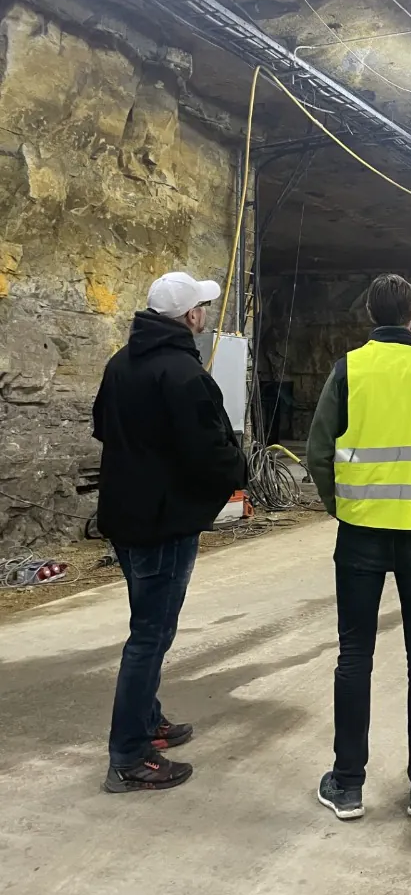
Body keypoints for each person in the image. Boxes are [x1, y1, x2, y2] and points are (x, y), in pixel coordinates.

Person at [307, 273, 411, 821]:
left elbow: (318, 452)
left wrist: (342, 506)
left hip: (360, 532)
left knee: (354, 654)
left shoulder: (348, 369)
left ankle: (347, 784)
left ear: (369, 315)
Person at [92, 271, 248, 793]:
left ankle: (147, 719)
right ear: (190, 316)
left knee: (148, 625)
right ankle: (128, 757)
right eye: (202, 308)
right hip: (164, 523)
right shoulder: (183, 373)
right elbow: (209, 451)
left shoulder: (120, 363)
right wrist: (239, 470)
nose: (204, 316)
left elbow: (102, 427)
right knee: (150, 635)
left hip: (126, 518)